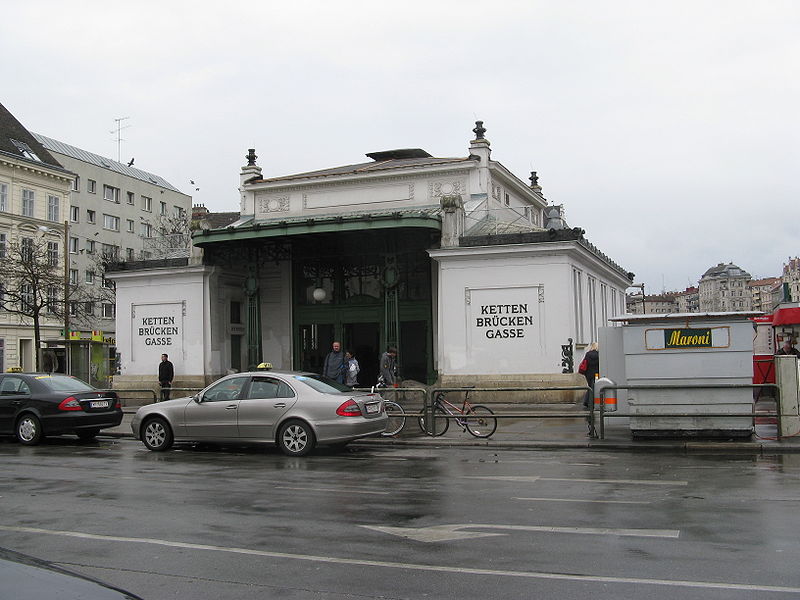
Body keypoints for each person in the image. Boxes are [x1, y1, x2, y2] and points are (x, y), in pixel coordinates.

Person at [581, 342, 599, 409]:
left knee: (589, 387)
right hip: (596, 374)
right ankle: (592, 402)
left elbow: (585, 363)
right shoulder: (599, 354)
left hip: (588, 374)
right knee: (594, 387)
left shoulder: (588, 354)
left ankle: (587, 402)